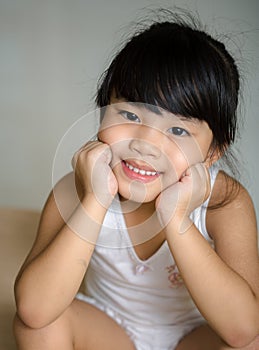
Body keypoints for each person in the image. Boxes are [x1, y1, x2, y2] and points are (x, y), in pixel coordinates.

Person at [13, 10, 259, 350]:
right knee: (36, 327)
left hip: (193, 336)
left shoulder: (225, 203)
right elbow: (33, 310)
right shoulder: (75, 190)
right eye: (130, 114)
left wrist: (176, 219)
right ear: (101, 113)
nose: (146, 144)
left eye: (177, 130)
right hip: (108, 332)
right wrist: (95, 201)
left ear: (213, 151)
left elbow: (243, 329)